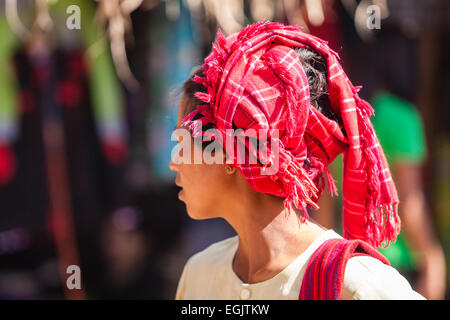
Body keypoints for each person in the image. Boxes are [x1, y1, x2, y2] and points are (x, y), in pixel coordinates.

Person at [170, 22, 424, 300]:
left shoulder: (357, 285)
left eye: (182, 144)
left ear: (230, 155)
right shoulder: (200, 274)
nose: (174, 163)